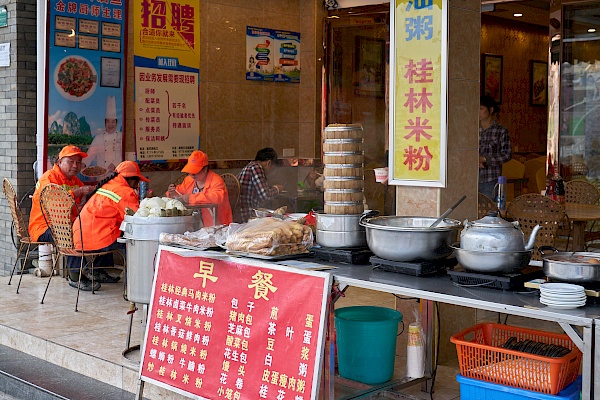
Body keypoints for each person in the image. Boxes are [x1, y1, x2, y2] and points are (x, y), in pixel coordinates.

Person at [68, 161, 148, 291]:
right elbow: (137, 218)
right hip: (95, 238)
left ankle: (97, 272)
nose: (137, 184)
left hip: (80, 234)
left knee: (114, 232)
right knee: (132, 242)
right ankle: (135, 283)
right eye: (137, 180)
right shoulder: (125, 192)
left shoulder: (108, 185)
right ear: (131, 179)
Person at [28, 145, 95, 243]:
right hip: (44, 227)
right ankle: (78, 258)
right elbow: (56, 205)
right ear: (59, 162)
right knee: (77, 237)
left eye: (78, 162)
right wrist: (79, 192)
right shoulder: (49, 178)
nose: (75, 166)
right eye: (71, 162)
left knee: (99, 232)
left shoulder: (75, 180)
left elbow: (83, 199)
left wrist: (85, 197)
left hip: (68, 225)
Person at [166, 150, 232, 226]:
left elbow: (216, 198)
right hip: (192, 225)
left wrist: (191, 198)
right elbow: (179, 192)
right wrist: (173, 193)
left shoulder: (217, 181)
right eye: (190, 171)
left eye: (195, 171)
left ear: (205, 169)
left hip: (215, 225)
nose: (192, 174)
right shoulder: (189, 180)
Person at [237, 147, 285, 223]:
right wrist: (277, 189)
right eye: (272, 168)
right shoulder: (256, 167)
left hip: (241, 214)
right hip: (247, 216)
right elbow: (265, 195)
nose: (270, 172)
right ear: (269, 163)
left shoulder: (250, 166)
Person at [479, 95, 511, 200]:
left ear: (491, 110)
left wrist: (484, 159)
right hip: (470, 178)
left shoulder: (501, 130)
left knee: (489, 211)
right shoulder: (472, 129)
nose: (478, 111)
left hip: (490, 178)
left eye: (481, 108)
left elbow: (506, 155)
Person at [86, 96, 123, 172]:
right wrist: (83, 164)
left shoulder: (121, 136)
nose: (110, 125)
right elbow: (90, 154)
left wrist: (115, 163)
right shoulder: (98, 138)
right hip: (101, 175)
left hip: (118, 173)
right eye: (108, 122)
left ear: (116, 123)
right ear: (105, 123)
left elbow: (124, 154)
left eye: (113, 122)